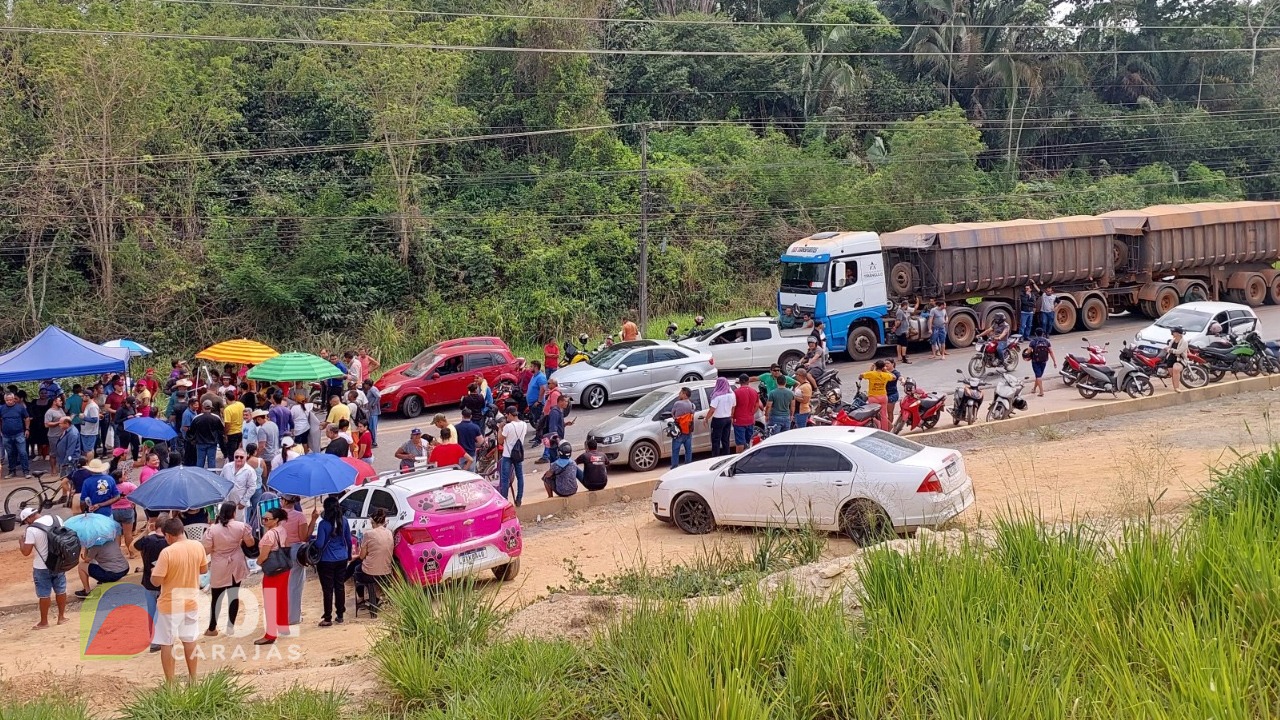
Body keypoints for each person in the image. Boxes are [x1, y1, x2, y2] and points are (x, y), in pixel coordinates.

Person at [152, 517, 208, 681]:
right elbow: (204, 569)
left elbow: (156, 580)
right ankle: (193, 679)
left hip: (169, 604)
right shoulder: (197, 546)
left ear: (168, 535)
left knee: (167, 643)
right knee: (189, 640)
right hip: (191, 601)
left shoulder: (167, 553)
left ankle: (170, 683)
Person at [202, 502, 253, 636]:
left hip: (219, 564)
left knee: (216, 597)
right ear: (233, 513)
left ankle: (212, 628)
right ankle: (230, 627)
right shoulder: (241, 526)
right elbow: (251, 542)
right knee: (233, 595)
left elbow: (206, 549)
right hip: (236, 562)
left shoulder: (212, 530)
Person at [19, 507, 68, 629]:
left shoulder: (31, 530)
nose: (26, 523)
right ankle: (61, 617)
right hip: (58, 563)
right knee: (61, 589)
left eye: (25, 521)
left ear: (29, 518)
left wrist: (21, 542)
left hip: (41, 566)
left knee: (44, 594)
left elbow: (26, 552)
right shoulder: (57, 519)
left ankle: (44, 622)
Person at [312, 496, 351, 626]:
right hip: (342, 558)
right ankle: (340, 615)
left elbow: (319, 543)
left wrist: (312, 542)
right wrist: (349, 554)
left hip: (326, 561)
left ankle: (327, 617)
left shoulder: (324, 524)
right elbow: (349, 540)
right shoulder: (344, 521)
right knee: (339, 587)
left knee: (327, 589)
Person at [134, 515, 168, 651]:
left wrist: (146, 532)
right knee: (164, 612)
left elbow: (134, 546)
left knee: (152, 611)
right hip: (164, 582)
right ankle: (162, 637)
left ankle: (153, 639)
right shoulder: (168, 542)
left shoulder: (148, 540)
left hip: (148, 582)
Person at [353, 508, 393, 616]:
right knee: (365, 569)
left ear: (372, 522)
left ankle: (361, 597)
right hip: (386, 572)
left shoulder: (368, 534)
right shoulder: (389, 533)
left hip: (370, 573)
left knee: (356, 570)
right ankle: (376, 597)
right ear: (384, 521)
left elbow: (361, 556)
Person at [75, 529, 129, 597]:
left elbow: (87, 560)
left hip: (113, 574)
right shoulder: (112, 539)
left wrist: (86, 547)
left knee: (81, 566)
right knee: (100, 560)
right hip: (125, 568)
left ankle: (87, 591)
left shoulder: (95, 546)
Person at [498, 407, 529, 506]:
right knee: (520, 476)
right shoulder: (524, 424)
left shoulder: (508, 427)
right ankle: (519, 499)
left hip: (507, 455)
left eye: (507, 415)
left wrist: (500, 429)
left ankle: (505, 501)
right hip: (518, 454)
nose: (506, 417)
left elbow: (500, 441)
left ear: (510, 414)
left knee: (505, 479)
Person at [222, 449, 258, 521]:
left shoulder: (250, 471)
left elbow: (252, 487)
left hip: (239, 504)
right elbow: (221, 481)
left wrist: (243, 502)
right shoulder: (226, 467)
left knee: (239, 525)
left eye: (241, 457)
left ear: (245, 457)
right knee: (225, 523)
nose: (238, 459)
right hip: (226, 502)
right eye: (236, 457)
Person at [704, 377, 736, 456]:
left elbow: (712, 410)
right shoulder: (732, 394)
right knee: (726, 440)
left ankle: (715, 456)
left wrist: (706, 419)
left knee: (716, 440)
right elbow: (733, 407)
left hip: (718, 420)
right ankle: (726, 456)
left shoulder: (717, 396)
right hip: (727, 419)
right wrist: (731, 416)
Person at [860, 360, 895, 429]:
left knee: (871, 415)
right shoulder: (886, 375)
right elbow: (894, 377)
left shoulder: (871, 374)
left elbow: (861, 375)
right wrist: (885, 371)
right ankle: (885, 430)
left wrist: (871, 369)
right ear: (883, 367)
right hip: (883, 397)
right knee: (884, 415)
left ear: (876, 366)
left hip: (873, 397)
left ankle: (875, 428)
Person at [189, 401, 224, 470]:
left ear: (202, 407)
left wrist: (193, 441)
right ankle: (212, 477)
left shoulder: (196, 418)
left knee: (200, 461)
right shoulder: (216, 418)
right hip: (212, 443)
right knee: (211, 461)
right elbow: (221, 430)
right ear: (211, 407)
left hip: (200, 443)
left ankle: (199, 476)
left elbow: (191, 431)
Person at [111, 471, 138, 558]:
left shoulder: (111, 487)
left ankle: (117, 554)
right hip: (127, 510)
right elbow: (138, 491)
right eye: (124, 475)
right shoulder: (129, 485)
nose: (125, 476)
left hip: (114, 510)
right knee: (128, 533)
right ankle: (131, 553)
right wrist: (133, 502)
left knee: (117, 534)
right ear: (120, 478)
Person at [731, 374, 761, 451]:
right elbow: (757, 405)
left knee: (740, 442)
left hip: (739, 421)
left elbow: (733, 406)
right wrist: (751, 413)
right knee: (750, 441)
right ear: (748, 381)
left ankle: (738, 458)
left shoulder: (736, 392)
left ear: (740, 382)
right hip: (750, 420)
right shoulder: (754, 392)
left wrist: (732, 417)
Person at [539, 395, 572, 464]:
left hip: (558, 440)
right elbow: (552, 428)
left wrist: (566, 424)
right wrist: (558, 441)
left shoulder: (560, 411)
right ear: (560, 402)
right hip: (555, 441)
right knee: (555, 461)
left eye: (567, 402)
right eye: (565, 401)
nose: (567, 403)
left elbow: (559, 425)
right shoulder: (555, 412)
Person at [669, 387, 696, 469]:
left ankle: (674, 467)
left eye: (680, 393)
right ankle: (688, 466)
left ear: (684, 394)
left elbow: (673, 414)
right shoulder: (692, 405)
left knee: (675, 450)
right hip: (688, 431)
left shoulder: (678, 403)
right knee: (688, 450)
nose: (679, 394)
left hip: (679, 431)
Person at [44, 395, 67, 477]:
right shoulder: (49, 412)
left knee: (63, 452)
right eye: (59, 400)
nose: (61, 402)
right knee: (53, 453)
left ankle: (62, 468)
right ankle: (53, 469)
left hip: (63, 434)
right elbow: (47, 424)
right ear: (54, 402)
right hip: (53, 436)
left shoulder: (61, 409)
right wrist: (58, 423)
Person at [1028, 329, 1055, 397]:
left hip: (1035, 361)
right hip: (1044, 361)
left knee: (1038, 376)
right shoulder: (1047, 341)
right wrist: (1054, 361)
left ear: (1035, 333)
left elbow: (1029, 351)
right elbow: (1051, 351)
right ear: (1043, 333)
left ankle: (1041, 391)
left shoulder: (1033, 341)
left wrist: (1027, 355)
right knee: (1038, 376)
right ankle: (1034, 389)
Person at [222, 390, 245, 461]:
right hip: (240, 431)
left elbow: (227, 424)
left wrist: (225, 434)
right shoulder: (241, 404)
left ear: (226, 398)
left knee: (231, 455)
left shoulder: (227, 409)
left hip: (232, 433)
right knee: (239, 453)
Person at [1167, 326, 1190, 392]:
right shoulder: (1172, 341)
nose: (1172, 333)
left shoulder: (1184, 342)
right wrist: (1170, 350)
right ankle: (1175, 388)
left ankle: (1177, 388)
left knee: (1176, 369)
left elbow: (1179, 351)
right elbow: (1168, 348)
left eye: (1174, 332)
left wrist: (1171, 350)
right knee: (1172, 374)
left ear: (1178, 333)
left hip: (1179, 359)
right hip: (1171, 358)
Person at [361, 380, 381, 448]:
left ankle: (374, 442)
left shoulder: (373, 389)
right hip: (370, 411)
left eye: (365, 384)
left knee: (373, 428)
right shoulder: (368, 390)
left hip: (373, 411)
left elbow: (378, 396)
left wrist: (373, 404)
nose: (364, 386)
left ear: (368, 384)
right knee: (370, 427)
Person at [80, 390, 100, 457]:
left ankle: (90, 464)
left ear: (87, 396)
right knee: (87, 450)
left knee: (89, 450)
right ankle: (88, 463)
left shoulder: (93, 406)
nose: (82, 398)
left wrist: (84, 418)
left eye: (83, 396)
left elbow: (95, 419)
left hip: (90, 432)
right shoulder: (88, 405)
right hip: (85, 431)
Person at [893, 299, 912, 364]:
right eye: (907, 306)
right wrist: (895, 327)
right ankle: (904, 358)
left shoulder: (900, 311)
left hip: (901, 330)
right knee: (904, 344)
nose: (907, 307)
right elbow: (898, 321)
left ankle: (899, 356)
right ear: (905, 305)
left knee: (899, 343)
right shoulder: (900, 312)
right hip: (902, 331)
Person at [883, 360, 902, 428]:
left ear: (892, 364)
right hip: (883, 394)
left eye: (888, 363)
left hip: (892, 394)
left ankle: (889, 426)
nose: (886, 365)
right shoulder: (883, 372)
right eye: (885, 363)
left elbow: (900, 377)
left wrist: (902, 381)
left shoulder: (895, 372)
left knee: (889, 412)